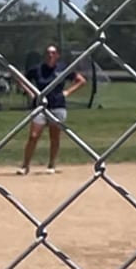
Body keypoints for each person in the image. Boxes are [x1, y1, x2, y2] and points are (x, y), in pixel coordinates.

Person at [18, 45, 84, 175]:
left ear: (57, 55)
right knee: (33, 136)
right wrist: (30, 93)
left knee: (54, 137)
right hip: (40, 107)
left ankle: (52, 164)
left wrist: (67, 92)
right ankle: (25, 165)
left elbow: (81, 80)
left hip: (57, 105)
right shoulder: (37, 69)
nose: (50, 55)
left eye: (53, 53)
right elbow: (21, 79)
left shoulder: (63, 68)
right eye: (48, 53)